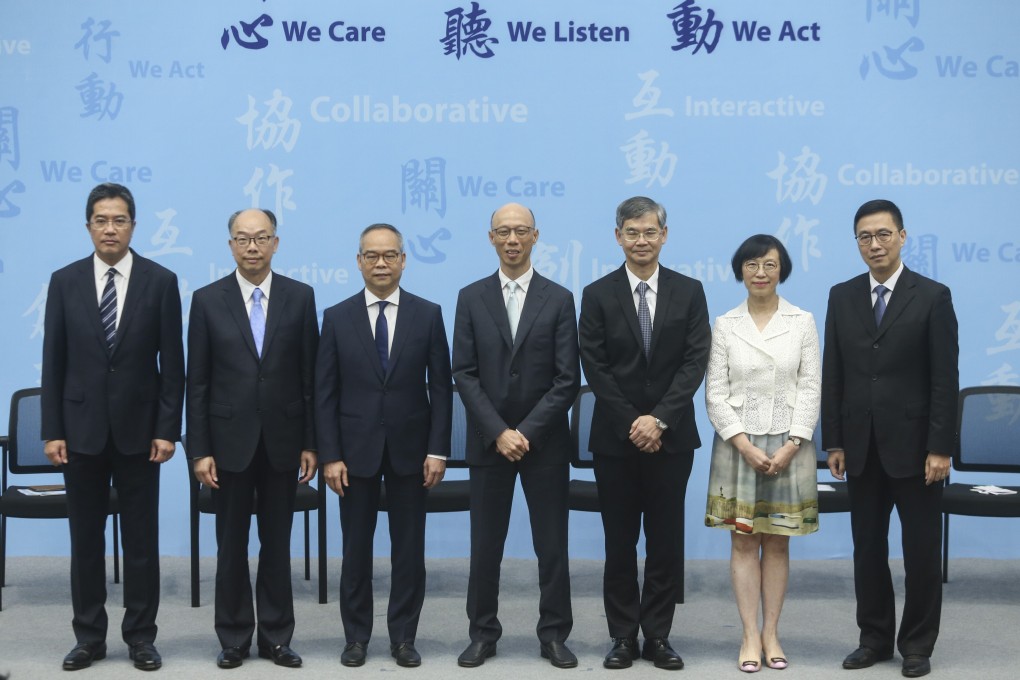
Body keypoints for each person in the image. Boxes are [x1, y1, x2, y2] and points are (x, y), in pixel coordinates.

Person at [42, 182, 185, 672]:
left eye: (119, 220)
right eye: (101, 220)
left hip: (140, 434)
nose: (110, 229)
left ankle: (141, 637)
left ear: (133, 226)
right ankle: (89, 638)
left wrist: (167, 429)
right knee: (86, 541)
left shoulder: (160, 281)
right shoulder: (64, 281)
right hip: (79, 432)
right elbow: (53, 362)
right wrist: (53, 429)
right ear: (88, 226)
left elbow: (173, 365)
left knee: (141, 542)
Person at [822, 199, 958, 679]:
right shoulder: (842, 296)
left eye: (883, 234)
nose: (874, 244)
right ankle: (874, 639)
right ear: (857, 243)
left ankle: (917, 644)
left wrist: (941, 447)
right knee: (868, 550)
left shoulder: (932, 296)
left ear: (902, 236)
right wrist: (834, 441)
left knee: (921, 553)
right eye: (865, 237)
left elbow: (945, 379)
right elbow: (833, 372)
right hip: (860, 447)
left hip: (918, 450)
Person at [578, 195, 710, 671]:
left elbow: (695, 360)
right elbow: (594, 364)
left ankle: (657, 636)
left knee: (665, 541)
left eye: (649, 232)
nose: (641, 240)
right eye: (632, 233)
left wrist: (660, 419)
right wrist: (633, 421)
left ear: (664, 235)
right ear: (618, 237)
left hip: (671, 439)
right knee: (619, 542)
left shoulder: (689, 291)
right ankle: (621, 636)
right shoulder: (597, 294)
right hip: (616, 440)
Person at [186, 208, 319, 669]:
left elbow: (309, 377)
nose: (252, 247)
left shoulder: (300, 297)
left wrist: (311, 442)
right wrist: (199, 449)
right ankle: (234, 638)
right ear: (230, 246)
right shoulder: (207, 300)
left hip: (284, 440)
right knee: (231, 546)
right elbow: (197, 382)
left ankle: (277, 638)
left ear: (275, 243)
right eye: (243, 239)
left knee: (277, 544)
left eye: (261, 238)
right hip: (227, 444)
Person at [315, 223, 452, 668]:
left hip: (412, 453)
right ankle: (356, 638)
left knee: (408, 551)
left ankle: (403, 638)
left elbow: (441, 389)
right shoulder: (337, 317)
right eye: (371, 255)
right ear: (358, 261)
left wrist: (437, 450)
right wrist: (331, 455)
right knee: (355, 551)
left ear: (403, 261)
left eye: (389, 255)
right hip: (353, 455)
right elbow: (325, 393)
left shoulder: (427, 314)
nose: (381, 263)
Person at [452, 202, 581, 669]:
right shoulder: (470, 297)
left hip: (543, 443)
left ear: (535, 236)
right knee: (485, 546)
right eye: (503, 231)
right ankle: (483, 633)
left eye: (521, 231)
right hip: (489, 444)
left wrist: (523, 432)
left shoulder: (559, 298)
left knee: (552, 546)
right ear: (491, 238)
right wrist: (498, 432)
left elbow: (567, 378)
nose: (512, 239)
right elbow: (464, 373)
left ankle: (554, 635)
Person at [703, 235, 821, 673]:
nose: (760, 272)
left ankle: (771, 632)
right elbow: (715, 393)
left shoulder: (802, 321)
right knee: (742, 541)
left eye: (769, 264)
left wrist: (793, 443)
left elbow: (811, 387)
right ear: (740, 270)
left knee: (776, 542)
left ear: (781, 269)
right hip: (738, 446)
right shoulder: (725, 324)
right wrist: (744, 444)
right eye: (751, 264)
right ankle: (749, 635)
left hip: (790, 445)